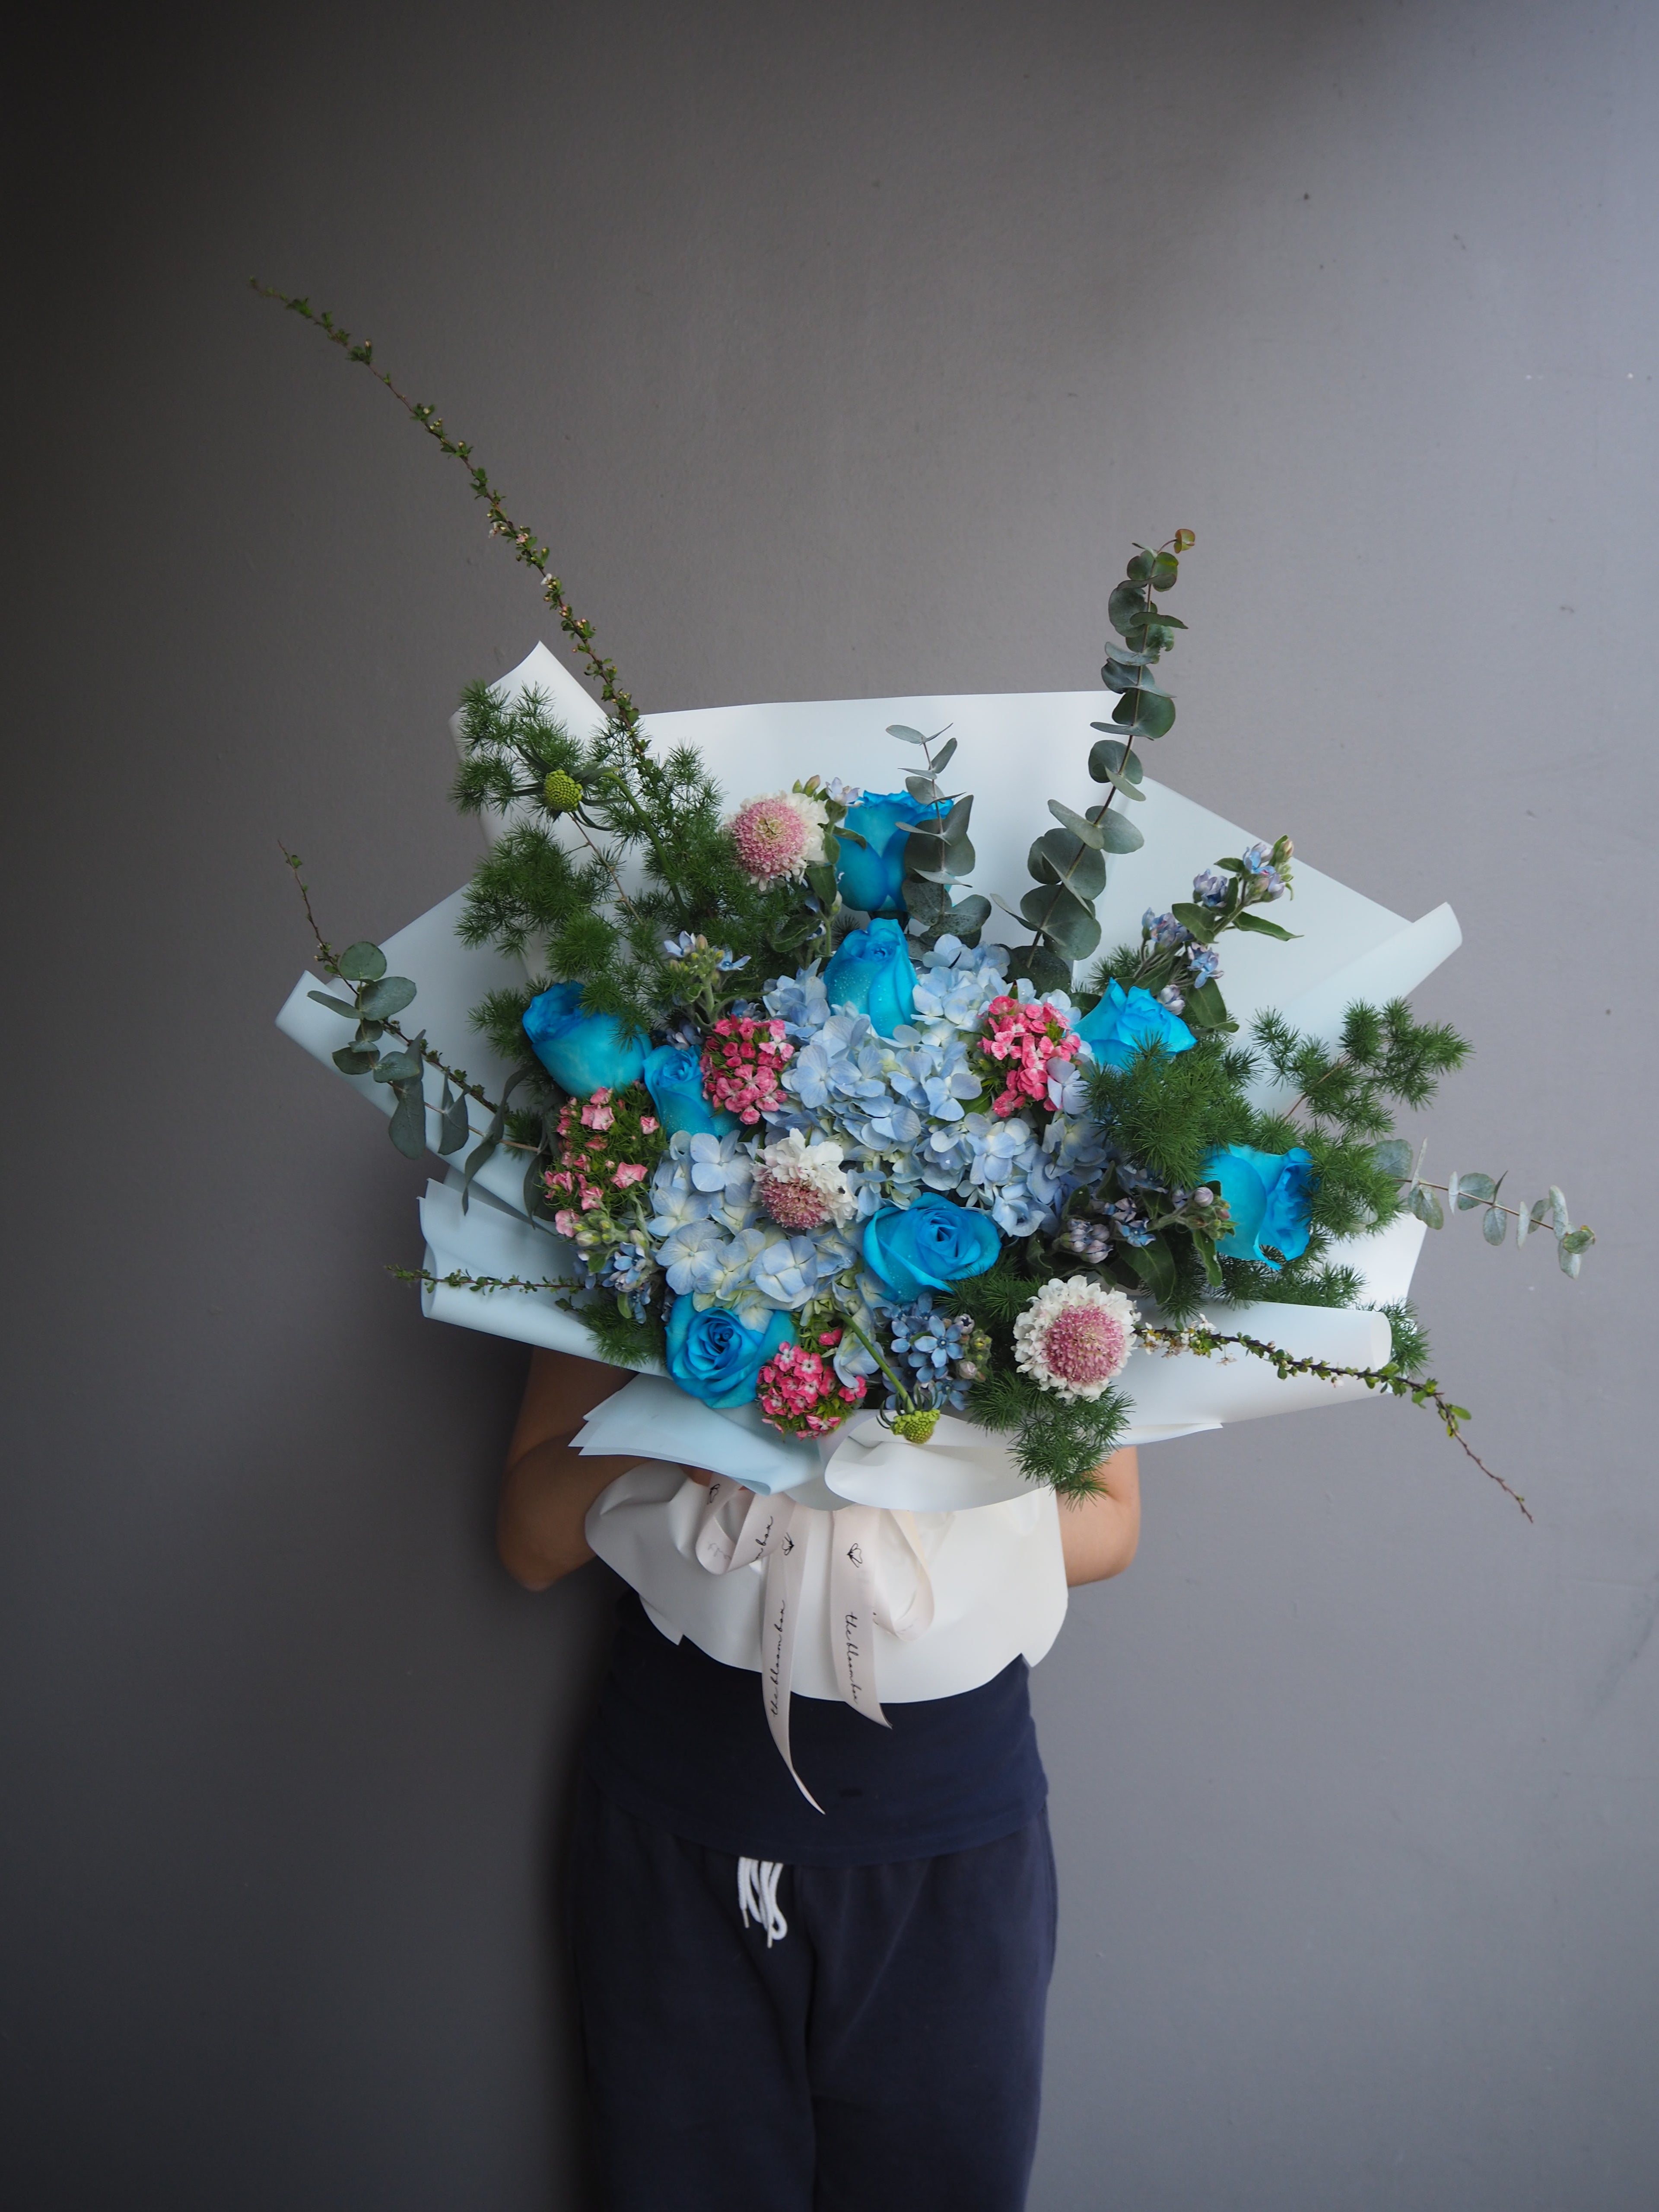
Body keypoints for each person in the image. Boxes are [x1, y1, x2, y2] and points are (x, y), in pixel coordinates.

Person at [499, 1347, 1141, 2212]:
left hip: (950, 1845)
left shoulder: (1070, 1292)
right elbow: (530, 1544)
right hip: (681, 1828)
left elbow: (1109, 1522)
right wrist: (685, 1426)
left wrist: (883, 1490)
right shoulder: (613, 1255)